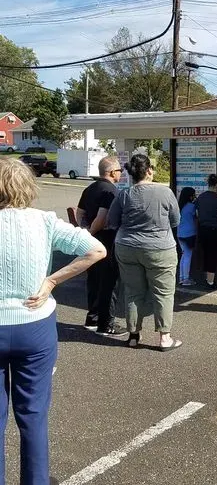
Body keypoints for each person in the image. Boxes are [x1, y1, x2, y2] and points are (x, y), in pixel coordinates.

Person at [0, 157, 106, 484]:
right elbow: (96, 250)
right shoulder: (45, 221)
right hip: (35, 326)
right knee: (33, 417)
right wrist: (51, 281)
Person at [108, 154, 182, 351]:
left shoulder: (124, 194)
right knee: (163, 293)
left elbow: (112, 221)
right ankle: (164, 338)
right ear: (149, 170)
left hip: (127, 247)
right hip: (160, 248)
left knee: (133, 292)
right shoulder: (165, 192)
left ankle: (133, 335)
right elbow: (176, 221)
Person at [76, 156, 125, 337]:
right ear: (112, 172)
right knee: (109, 283)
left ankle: (93, 318)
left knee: (94, 280)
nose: (121, 173)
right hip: (106, 242)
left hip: (89, 243)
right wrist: (92, 231)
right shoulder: (111, 191)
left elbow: (79, 212)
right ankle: (107, 324)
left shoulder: (90, 188)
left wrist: (84, 231)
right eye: (119, 170)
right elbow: (102, 217)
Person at [195, 174, 217, 289]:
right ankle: (210, 281)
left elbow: (197, 214)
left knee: (207, 254)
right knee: (214, 256)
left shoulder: (201, 197)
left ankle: (206, 278)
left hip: (203, 229)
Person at [177, 187, 197, 287]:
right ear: (190, 196)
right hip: (190, 234)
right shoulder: (191, 207)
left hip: (180, 233)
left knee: (184, 255)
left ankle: (181, 277)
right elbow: (196, 216)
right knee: (188, 256)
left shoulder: (179, 206)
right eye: (194, 195)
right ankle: (185, 279)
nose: (195, 196)